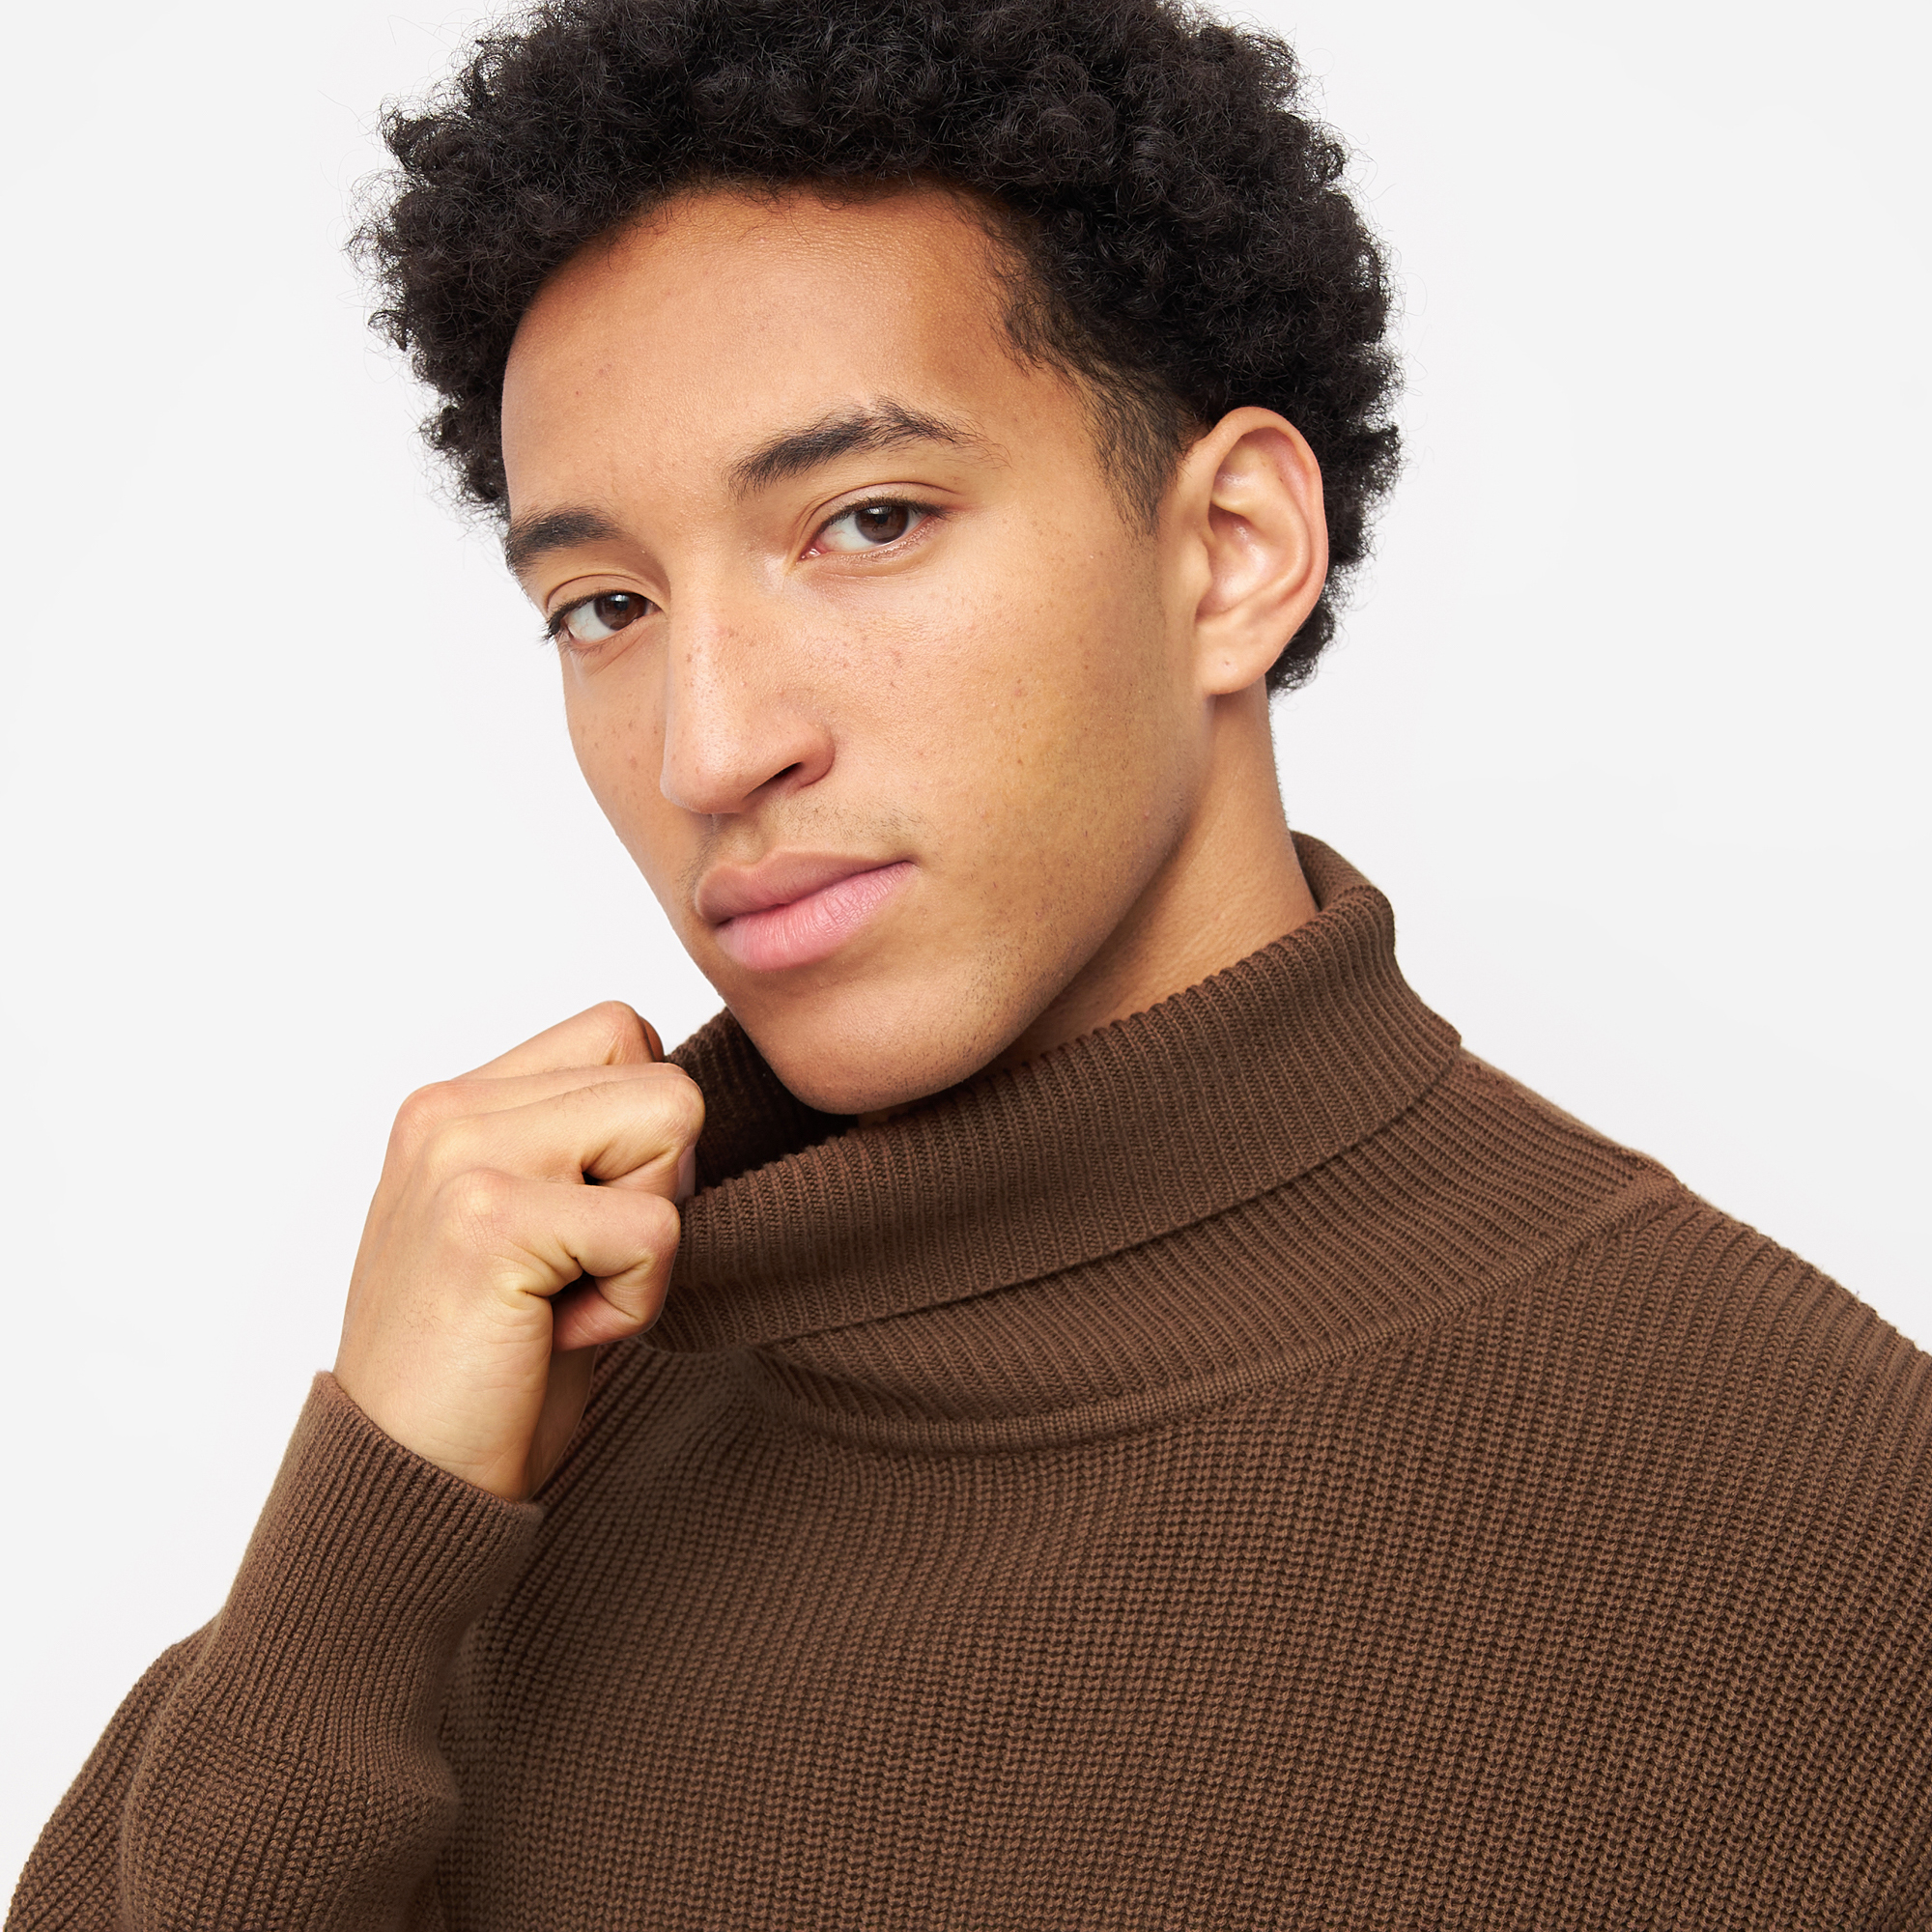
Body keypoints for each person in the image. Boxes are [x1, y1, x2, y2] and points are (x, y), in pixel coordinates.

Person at [11, 0, 1930, 1923]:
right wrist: (367, 1542)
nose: (706, 749)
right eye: (603, 606)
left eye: (868, 522)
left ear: (1234, 547)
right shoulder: (486, 1450)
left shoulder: (1841, 1536)